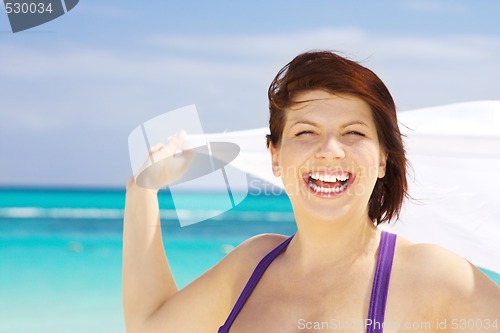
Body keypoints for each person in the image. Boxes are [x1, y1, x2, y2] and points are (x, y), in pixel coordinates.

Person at [122, 50, 500, 333]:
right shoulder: (252, 264)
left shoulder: (433, 275)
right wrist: (141, 190)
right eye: (305, 132)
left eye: (354, 133)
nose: (330, 150)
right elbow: (150, 324)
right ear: (274, 155)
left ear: (383, 158)